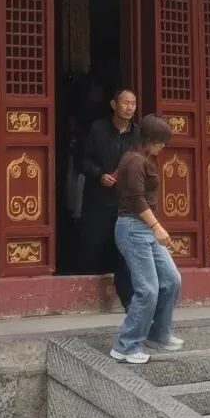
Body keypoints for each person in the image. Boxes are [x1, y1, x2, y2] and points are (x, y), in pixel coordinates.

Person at [110, 113, 184, 365]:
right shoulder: (133, 161)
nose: (163, 146)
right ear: (150, 139)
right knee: (148, 289)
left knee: (171, 280)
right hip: (133, 228)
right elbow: (137, 199)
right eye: (161, 141)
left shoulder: (144, 159)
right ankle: (125, 346)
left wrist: (154, 228)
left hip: (146, 229)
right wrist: (157, 227)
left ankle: (158, 334)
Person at [80, 86, 138, 307]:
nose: (130, 108)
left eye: (133, 103)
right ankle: (86, 296)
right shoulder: (98, 129)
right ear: (114, 105)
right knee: (93, 243)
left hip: (125, 202)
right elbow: (84, 161)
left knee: (123, 250)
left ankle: (127, 300)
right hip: (98, 199)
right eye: (126, 103)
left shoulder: (138, 134)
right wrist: (99, 175)